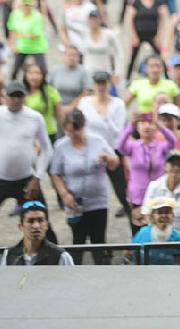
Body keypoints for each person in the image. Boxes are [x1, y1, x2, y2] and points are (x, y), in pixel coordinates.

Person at [0, 81, 55, 255]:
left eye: (19, 96)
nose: (16, 100)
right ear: (5, 97)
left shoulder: (34, 117)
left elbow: (47, 149)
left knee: (43, 220)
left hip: (26, 181)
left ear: (24, 97)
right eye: (12, 96)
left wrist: (38, 177)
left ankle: (54, 258)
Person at [49, 109, 119, 265]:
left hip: (98, 200)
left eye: (77, 130)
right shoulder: (61, 146)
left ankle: (102, 269)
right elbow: (55, 173)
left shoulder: (98, 141)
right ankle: (75, 271)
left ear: (84, 126)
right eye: (70, 131)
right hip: (75, 202)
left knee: (99, 239)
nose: (74, 134)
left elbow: (115, 163)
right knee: (78, 240)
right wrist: (64, 194)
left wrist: (108, 158)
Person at [78, 71, 130, 218]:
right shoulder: (85, 102)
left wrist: (105, 116)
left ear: (109, 84)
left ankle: (127, 207)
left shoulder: (118, 104)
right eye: (98, 83)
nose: (101, 86)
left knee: (120, 186)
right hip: (91, 150)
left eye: (104, 83)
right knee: (90, 185)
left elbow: (117, 131)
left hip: (113, 150)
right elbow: (83, 127)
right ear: (93, 85)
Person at [117, 111, 177, 235]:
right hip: (137, 197)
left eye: (150, 123)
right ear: (138, 128)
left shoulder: (161, 147)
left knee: (159, 229)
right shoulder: (133, 147)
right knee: (138, 231)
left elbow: (173, 142)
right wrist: (130, 125)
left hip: (157, 195)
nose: (146, 126)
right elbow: (120, 146)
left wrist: (160, 126)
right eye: (142, 123)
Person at [1, 201, 73, 266]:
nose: (36, 226)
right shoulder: (10, 255)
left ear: (47, 225)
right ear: (21, 226)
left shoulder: (60, 256)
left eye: (40, 221)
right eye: (30, 221)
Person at [131, 197, 180, 265]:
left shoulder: (178, 238)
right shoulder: (142, 233)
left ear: (173, 216)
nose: (164, 216)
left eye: (167, 212)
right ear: (152, 217)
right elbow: (131, 256)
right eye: (159, 213)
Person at [125, 0, 167, 80]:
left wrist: (159, 35)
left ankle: (167, 76)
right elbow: (129, 19)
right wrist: (133, 35)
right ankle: (127, 78)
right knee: (133, 57)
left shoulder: (158, 2)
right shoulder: (136, 2)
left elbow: (163, 19)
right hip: (139, 34)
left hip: (153, 34)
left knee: (161, 56)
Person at [8, 0, 48, 78]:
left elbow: (35, 35)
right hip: (22, 47)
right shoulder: (15, 14)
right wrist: (13, 45)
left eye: (28, 5)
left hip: (37, 47)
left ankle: (45, 87)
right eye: (25, 5)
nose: (26, 7)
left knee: (43, 70)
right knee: (15, 70)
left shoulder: (37, 16)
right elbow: (12, 30)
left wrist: (22, 34)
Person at [23, 63, 62, 144]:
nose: (35, 77)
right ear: (25, 75)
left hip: (48, 134)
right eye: (31, 73)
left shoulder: (50, 91)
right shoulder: (21, 93)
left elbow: (59, 116)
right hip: (27, 135)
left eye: (38, 73)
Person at [48, 46, 92, 118]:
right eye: (68, 55)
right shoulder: (55, 70)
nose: (71, 58)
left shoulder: (84, 72)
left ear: (78, 57)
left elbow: (87, 92)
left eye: (74, 55)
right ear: (64, 56)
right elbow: (48, 88)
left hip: (77, 109)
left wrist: (71, 107)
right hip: (57, 107)